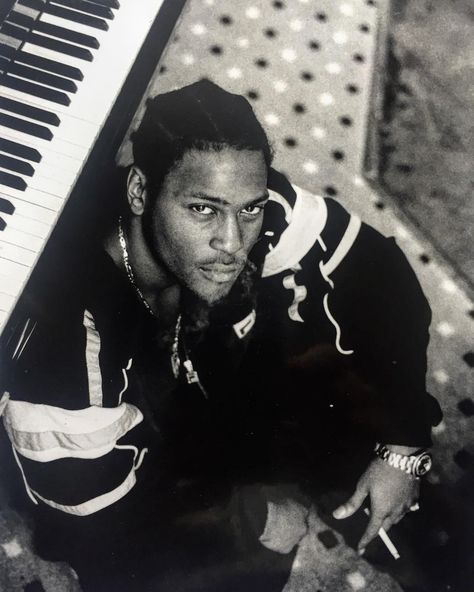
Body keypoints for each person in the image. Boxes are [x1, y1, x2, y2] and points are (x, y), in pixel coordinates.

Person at [0, 80, 441, 591]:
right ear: (140, 191)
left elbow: (380, 272)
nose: (231, 242)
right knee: (245, 562)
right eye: (202, 210)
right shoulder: (68, 347)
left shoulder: (245, 199)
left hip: (190, 387)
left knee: (344, 384)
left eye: (248, 209)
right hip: (103, 497)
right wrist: (253, 516)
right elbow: (99, 508)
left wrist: (404, 442)